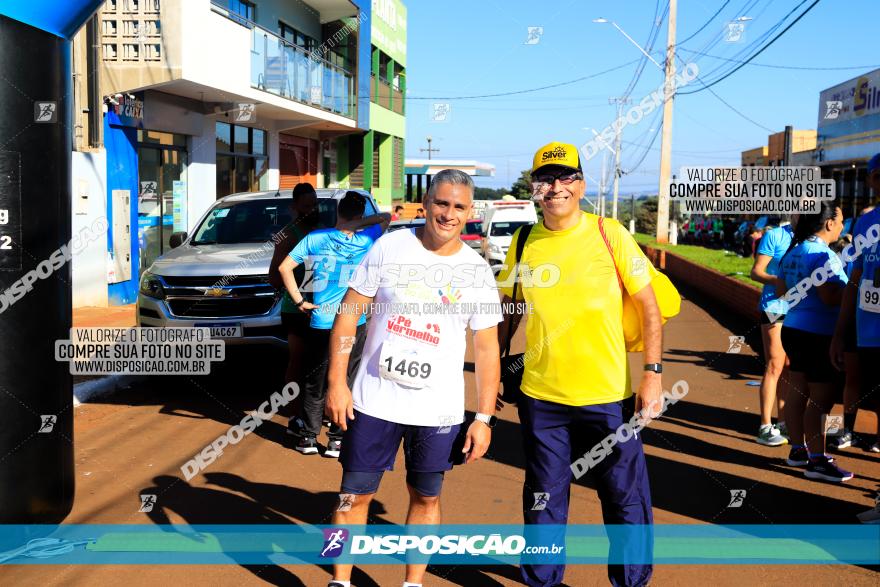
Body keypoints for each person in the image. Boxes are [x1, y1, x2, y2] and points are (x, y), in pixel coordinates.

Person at [323, 169, 502, 587]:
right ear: (426, 203)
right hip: (373, 400)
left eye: (459, 206)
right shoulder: (389, 247)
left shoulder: (475, 271)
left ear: (470, 212)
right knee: (353, 495)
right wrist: (337, 381)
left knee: (426, 496)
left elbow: (487, 349)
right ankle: (340, 581)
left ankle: (412, 582)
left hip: (436, 410)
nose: (448, 214)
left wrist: (484, 418)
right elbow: (348, 313)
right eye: (441, 203)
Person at [497, 142, 663, 587]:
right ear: (534, 189)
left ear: (581, 184)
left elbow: (648, 305)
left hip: (607, 397)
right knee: (543, 499)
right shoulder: (524, 241)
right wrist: (497, 367)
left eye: (565, 177)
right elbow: (510, 308)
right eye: (545, 179)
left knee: (625, 500)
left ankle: (631, 581)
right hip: (542, 398)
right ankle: (542, 580)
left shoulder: (610, 234)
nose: (555, 187)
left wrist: (652, 374)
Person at [279, 192, 391, 457]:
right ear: (360, 213)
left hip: (321, 320)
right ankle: (337, 440)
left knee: (314, 381)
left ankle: (307, 437)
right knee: (348, 380)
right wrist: (360, 222)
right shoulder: (369, 237)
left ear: (338, 210)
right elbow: (387, 217)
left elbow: (285, 268)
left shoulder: (315, 238)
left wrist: (299, 302)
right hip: (355, 320)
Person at [777, 201, 851, 482]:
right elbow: (830, 296)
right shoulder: (822, 255)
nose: (843, 226)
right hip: (818, 333)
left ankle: (798, 450)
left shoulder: (794, 251)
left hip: (794, 327)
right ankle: (817, 461)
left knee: (798, 392)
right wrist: (853, 287)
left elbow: (783, 293)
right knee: (820, 399)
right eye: (841, 220)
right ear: (829, 223)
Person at [832, 152, 880, 454]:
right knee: (855, 379)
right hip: (864, 328)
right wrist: (839, 331)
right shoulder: (864, 223)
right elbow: (855, 277)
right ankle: (847, 429)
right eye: (879, 176)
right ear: (869, 181)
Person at [269, 183, 319, 419]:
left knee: (320, 363)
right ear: (295, 207)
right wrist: (297, 284)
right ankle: (293, 413)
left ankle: (314, 414)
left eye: (315, 204)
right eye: (307, 205)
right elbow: (274, 276)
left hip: (321, 307)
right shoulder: (288, 234)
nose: (312, 209)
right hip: (296, 308)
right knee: (298, 362)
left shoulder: (320, 230)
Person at [750, 221, 795, 446]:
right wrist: (779, 282)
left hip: (799, 308)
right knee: (775, 364)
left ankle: (783, 422)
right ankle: (765, 426)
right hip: (774, 306)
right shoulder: (775, 236)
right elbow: (756, 271)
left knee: (788, 365)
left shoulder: (811, 240)